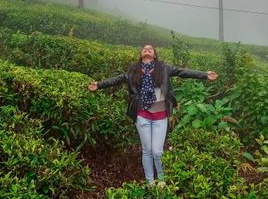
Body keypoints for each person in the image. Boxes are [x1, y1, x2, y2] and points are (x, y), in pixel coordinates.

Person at [88, 44, 218, 187]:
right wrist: (99, 85)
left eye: (150, 49)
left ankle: (161, 180)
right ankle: (150, 182)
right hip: (142, 115)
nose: (147, 50)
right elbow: (116, 80)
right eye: (144, 49)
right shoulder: (133, 71)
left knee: (157, 151)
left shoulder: (164, 68)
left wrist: (205, 75)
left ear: (154, 55)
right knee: (147, 150)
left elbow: (183, 72)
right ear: (141, 54)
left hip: (160, 116)